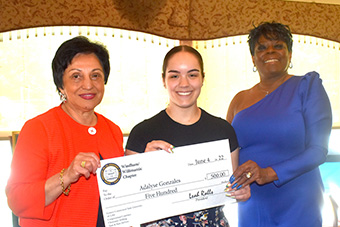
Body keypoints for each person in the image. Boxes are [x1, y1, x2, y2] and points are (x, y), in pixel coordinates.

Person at [125, 45, 250, 227]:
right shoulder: (142, 133)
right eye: (174, 75)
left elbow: (231, 190)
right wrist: (145, 166)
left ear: (202, 79)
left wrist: (241, 193)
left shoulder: (223, 131)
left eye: (192, 75)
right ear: (163, 80)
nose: (184, 83)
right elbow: (129, 204)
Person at [6, 36, 124, 227]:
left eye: (95, 75)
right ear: (61, 85)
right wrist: (67, 175)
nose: (88, 85)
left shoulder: (112, 130)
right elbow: (17, 200)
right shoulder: (38, 129)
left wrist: (149, 162)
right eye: (76, 76)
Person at [226, 22, 332, 226]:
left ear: (290, 54)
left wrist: (267, 173)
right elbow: (224, 152)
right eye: (262, 47)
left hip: (299, 201)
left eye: (278, 45)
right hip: (252, 200)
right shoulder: (239, 100)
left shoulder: (308, 87)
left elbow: (318, 150)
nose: (270, 51)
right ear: (253, 59)